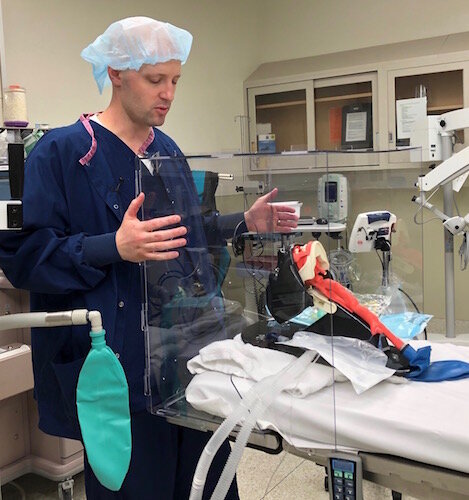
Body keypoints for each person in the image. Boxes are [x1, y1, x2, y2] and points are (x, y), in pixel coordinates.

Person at [0, 17, 298, 499]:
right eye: (155, 80)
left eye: (175, 80)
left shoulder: (167, 152)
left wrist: (244, 222)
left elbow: (186, 237)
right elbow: (24, 258)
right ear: (116, 73)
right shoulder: (60, 153)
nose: (169, 94)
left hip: (188, 360)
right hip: (119, 370)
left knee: (207, 485)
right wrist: (111, 247)